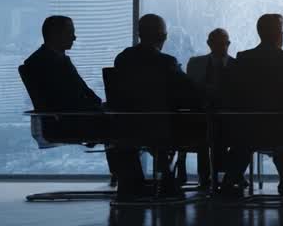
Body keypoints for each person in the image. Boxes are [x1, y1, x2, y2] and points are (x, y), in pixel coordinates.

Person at [217, 13, 283, 198]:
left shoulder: (243, 58)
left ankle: (230, 179)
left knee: (251, 134)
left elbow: (232, 90)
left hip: (247, 127)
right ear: (280, 34)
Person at [21, 15, 123, 187]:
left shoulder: (50, 59)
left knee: (119, 116)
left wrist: (99, 106)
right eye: (70, 33)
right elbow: (67, 98)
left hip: (73, 117)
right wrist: (98, 109)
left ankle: (124, 176)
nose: (74, 37)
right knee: (125, 123)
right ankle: (130, 179)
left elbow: (78, 93)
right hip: (70, 121)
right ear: (55, 34)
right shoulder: (46, 63)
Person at [110, 13, 202, 199]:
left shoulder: (122, 59)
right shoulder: (166, 62)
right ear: (163, 36)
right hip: (161, 126)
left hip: (126, 126)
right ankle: (169, 180)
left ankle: (133, 183)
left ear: (139, 33)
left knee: (149, 132)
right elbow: (190, 92)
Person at [184, 28, 234, 189]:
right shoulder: (196, 64)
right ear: (209, 44)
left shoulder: (196, 64)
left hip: (223, 116)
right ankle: (225, 175)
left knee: (209, 132)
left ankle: (207, 177)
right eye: (218, 43)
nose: (221, 47)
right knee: (209, 129)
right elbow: (190, 91)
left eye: (223, 43)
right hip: (205, 114)